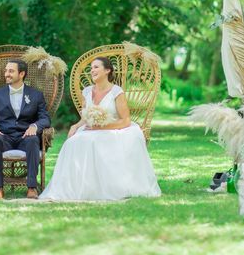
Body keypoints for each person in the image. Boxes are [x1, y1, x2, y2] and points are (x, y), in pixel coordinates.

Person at [39, 57, 161, 201]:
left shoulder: (117, 92)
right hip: (91, 128)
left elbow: (126, 120)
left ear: (107, 70)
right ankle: (77, 188)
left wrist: (103, 126)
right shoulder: (87, 91)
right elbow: (85, 117)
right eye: (91, 68)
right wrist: (76, 125)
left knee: (95, 141)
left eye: (96, 67)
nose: (92, 71)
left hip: (115, 129)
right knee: (72, 143)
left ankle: (106, 189)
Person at [0, 59, 50, 199]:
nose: (6, 74)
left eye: (11, 71)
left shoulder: (36, 95)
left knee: (33, 140)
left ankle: (31, 188)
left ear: (21, 73)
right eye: (6, 71)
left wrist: (35, 126)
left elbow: (45, 119)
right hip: (4, 136)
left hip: (25, 137)